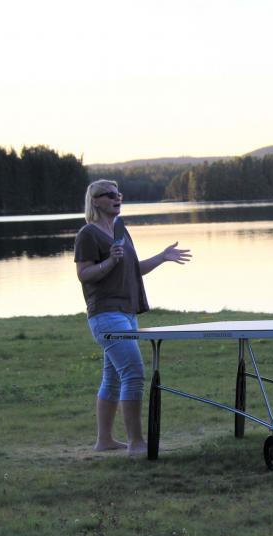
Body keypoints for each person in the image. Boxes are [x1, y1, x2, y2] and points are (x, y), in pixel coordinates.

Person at [75, 179, 191, 455]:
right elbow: (84, 274)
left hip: (127, 313)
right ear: (96, 201)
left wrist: (162, 257)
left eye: (119, 194)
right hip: (105, 314)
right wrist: (109, 261)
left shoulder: (119, 230)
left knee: (113, 377)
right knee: (133, 373)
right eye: (111, 195)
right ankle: (136, 443)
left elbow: (133, 270)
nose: (118, 198)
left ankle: (104, 441)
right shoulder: (87, 234)